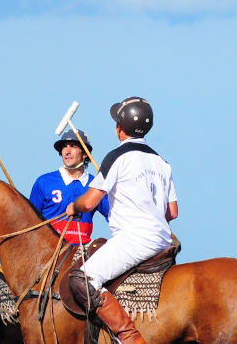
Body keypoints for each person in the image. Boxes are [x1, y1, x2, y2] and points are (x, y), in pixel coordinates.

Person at [66, 97, 178, 344]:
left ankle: (129, 337)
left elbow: (90, 202)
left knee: (81, 279)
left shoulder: (117, 156)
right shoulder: (162, 162)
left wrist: (73, 206)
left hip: (135, 239)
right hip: (163, 241)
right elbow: (172, 212)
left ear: (120, 128)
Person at [30, 129, 110, 245]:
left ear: (85, 154)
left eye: (73, 146)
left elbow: (114, 215)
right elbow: (30, 222)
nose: (67, 151)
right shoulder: (44, 182)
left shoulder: (96, 184)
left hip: (81, 254)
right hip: (48, 254)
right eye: (64, 147)